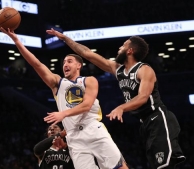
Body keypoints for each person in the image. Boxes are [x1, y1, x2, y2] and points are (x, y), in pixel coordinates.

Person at [47, 29, 186, 168]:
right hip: (145, 124)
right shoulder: (118, 70)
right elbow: (87, 54)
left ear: (130, 51)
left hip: (159, 118)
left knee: (164, 165)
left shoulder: (144, 69)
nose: (119, 48)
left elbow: (143, 97)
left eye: (123, 45)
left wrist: (121, 107)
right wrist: (65, 38)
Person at [0, 27, 128, 169]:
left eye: (70, 61)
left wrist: (63, 113)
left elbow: (87, 105)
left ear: (79, 65)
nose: (65, 64)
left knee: (120, 167)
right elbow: (36, 64)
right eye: (64, 62)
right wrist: (17, 40)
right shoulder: (57, 83)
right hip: (73, 137)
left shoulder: (89, 80)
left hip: (93, 128)